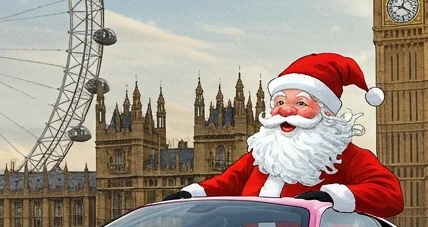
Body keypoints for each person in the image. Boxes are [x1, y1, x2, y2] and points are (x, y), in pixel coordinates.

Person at [163, 53, 403, 217]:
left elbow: (390, 194)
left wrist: (332, 197)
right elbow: (225, 184)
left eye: (300, 102)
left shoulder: (344, 158)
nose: (286, 111)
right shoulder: (262, 157)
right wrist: (190, 194)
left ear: (326, 113)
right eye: (280, 102)